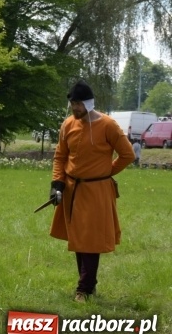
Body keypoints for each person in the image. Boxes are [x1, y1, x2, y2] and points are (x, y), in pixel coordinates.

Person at [48, 80, 134, 302]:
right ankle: (88, 286)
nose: (74, 108)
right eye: (72, 104)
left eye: (78, 104)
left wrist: (106, 172)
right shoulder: (68, 125)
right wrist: (57, 183)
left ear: (88, 103)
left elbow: (127, 155)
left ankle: (83, 289)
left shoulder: (108, 125)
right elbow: (60, 156)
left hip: (97, 190)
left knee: (91, 239)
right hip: (72, 188)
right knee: (78, 237)